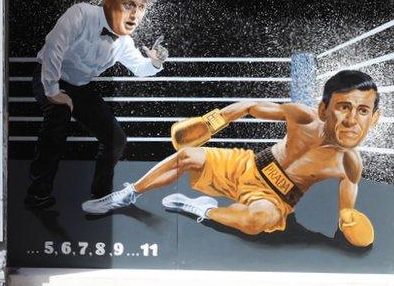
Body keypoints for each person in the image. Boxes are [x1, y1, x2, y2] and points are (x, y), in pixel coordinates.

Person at [82, 70, 381, 246]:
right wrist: (211, 122)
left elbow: (347, 200)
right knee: (186, 155)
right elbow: (251, 106)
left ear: (374, 118)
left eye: (363, 111)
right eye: (344, 107)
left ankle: (199, 209)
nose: (352, 119)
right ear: (323, 109)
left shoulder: (349, 162)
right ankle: (128, 194)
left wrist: (348, 218)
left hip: (275, 199)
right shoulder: (302, 117)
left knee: (256, 220)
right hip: (248, 164)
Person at [25, 0, 169, 210]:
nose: (136, 15)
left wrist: (155, 62)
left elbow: (140, 68)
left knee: (116, 139)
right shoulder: (81, 14)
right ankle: (38, 194)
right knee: (58, 115)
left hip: (80, 86)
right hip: (48, 74)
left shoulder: (124, 42)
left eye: (142, 8)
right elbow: (53, 49)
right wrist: (52, 90)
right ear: (111, 2)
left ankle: (101, 196)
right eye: (130, 5)